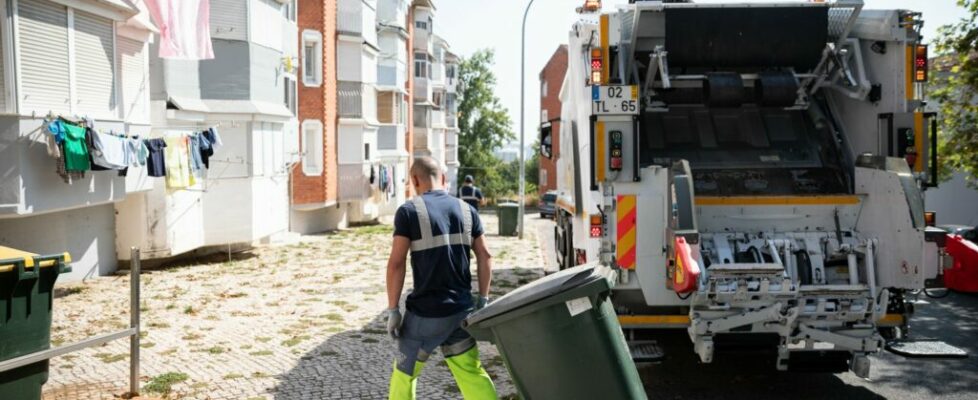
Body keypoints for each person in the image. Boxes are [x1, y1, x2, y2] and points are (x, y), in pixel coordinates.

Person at [385, 157, 498, 400]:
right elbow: (485, 256)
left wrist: (393, 309)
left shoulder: (408, 211)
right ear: (443, 178)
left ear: (415, 180)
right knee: (471, 373)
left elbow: (396, 264)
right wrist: (483, 299)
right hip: (461, 312)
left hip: (424, 316)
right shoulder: (468, 211)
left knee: (404, 375)